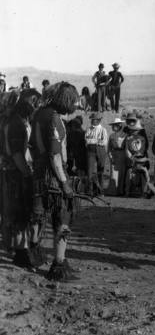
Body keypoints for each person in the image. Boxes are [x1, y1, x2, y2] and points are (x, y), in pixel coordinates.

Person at [31, 82, 80, 281]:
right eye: (73, 100)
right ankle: (58, 264)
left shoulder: (39, 113)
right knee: (62, 217)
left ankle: (33, 255)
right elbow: (54, 155)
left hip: (39, 173)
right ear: (65, 99)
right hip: (52, 176)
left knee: (39, 216)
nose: (75, 104)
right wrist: (64, 183)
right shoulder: (53, 117)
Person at [2, 88, 44, 268]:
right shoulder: (16, 124)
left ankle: (22, 251)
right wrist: (27, 173)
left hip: (15, 172)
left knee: (21, 215)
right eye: (35, 105)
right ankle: (22, 253)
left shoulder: (16, 120)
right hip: (17, 175)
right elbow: (17, 154)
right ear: (29, 104)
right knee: (21, 214)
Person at [85, 113, 108, 195]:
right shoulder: (88, 129)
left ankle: (99, 190)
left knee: (100, 171)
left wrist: (92, 140)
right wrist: (96, 140)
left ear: (98, 121)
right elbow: (86, 140)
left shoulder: (103, 130)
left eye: (93, 120)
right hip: (91, 151)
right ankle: (90, 190)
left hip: (101, 150)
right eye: (91, 120)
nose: (91, 121)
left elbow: (104, 142)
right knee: (89, 171)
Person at [125, 120, 149, 197]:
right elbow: (127, 149)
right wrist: (130, 157)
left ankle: (144, 190)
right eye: (132, 130)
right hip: (131, 158)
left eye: (135, 130)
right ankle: (128, 191)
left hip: (140, 158)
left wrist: (138, 155)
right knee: (129, 174)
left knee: (144, 173)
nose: (133, 131)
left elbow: (143, 149)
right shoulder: (128, 139)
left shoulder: (142, 139)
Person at [105, 118, 127, 196]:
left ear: (118, 126)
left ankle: (120, 190)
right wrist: (111, 156)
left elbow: (126, 147)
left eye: (114, 126)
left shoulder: (125, 135)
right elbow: (109, 148)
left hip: (122, 155)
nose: (112, 127)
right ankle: (113, 191)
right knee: (113, 173)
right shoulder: (111, 136)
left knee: (121, 173)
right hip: (114, 155)